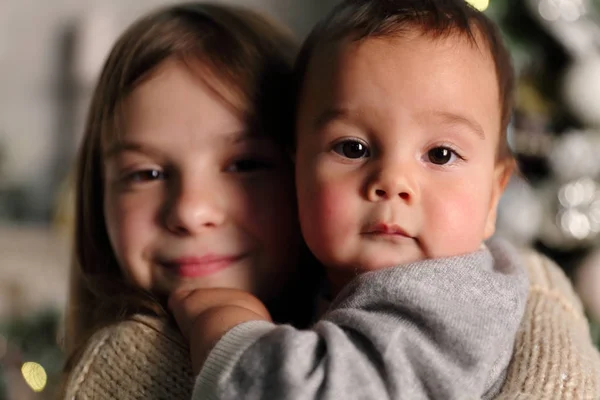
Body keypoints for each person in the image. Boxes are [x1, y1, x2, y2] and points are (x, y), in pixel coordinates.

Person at [169, 1, 600, 399]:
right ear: (296, 170)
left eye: (440, 154)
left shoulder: (447, 299)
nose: (393, 182)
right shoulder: (317, 278)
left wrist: (227, 329)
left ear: (493, 198)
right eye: (352, 148)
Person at [58, 3, 320, 399]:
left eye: (245, 164)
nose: (189, 211)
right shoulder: (130, 372)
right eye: (146, 174)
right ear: (100, 200)